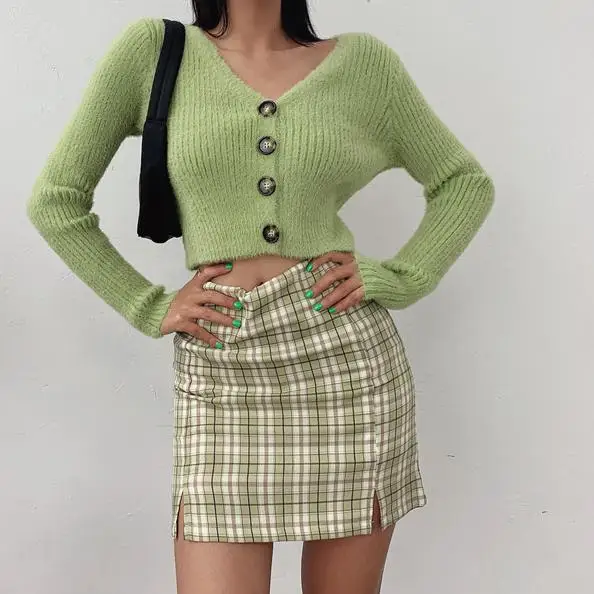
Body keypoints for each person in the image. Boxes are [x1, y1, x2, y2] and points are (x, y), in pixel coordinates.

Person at [26, 1, 495, 592]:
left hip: (347, 364)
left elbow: (463, 182)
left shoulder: (364, 66)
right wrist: (147, 305)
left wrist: (404, 276)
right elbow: (55, 199)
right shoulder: (153, 52)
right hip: (221, 367)